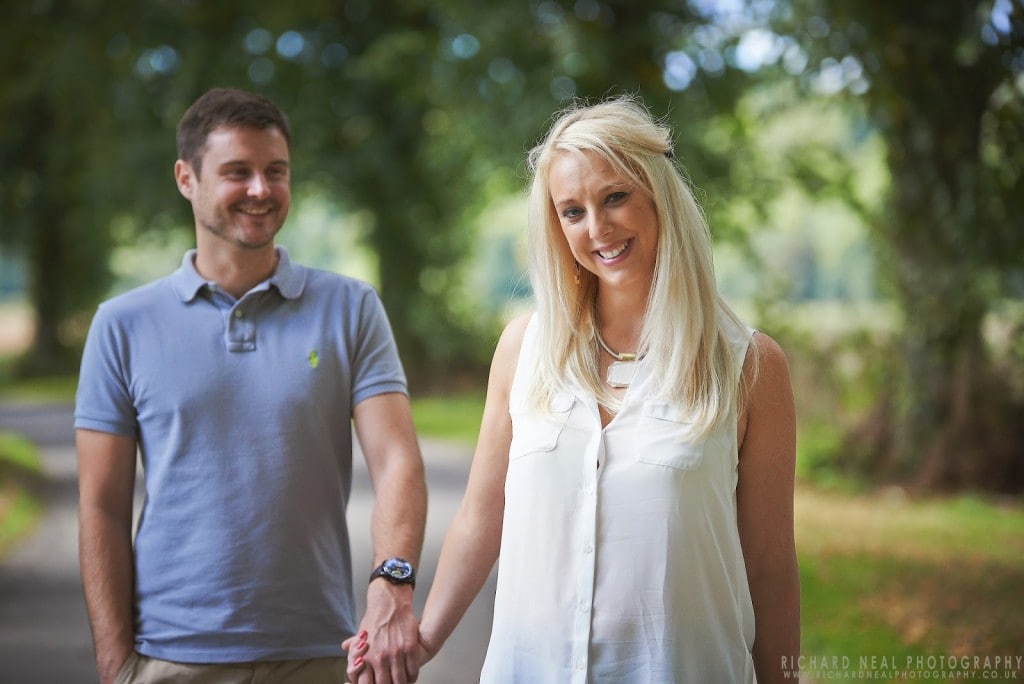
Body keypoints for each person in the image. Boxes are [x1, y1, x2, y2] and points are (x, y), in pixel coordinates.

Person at [347, 95, 800, 683]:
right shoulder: (524, 349)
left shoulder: (748, 365)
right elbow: (483, 516)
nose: (597, 227)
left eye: (615, 197)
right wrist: (424, 637)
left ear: (658, 196)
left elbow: (769, 566)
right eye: (572, 211)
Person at [76, 87, 427, 684]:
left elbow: (396, 460)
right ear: (186, 178)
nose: (261, 190)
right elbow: (102, 506)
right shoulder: (122, 324)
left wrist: (391, 584)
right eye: (238, 172)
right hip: (171, 656)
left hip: (319, 649)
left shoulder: (350, 308)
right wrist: (115, 662)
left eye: (276, 171)